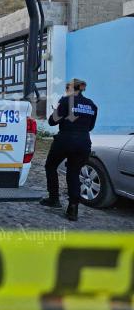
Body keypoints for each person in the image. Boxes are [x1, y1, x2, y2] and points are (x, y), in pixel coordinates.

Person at [41, 78, 98, 221]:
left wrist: (57, 110)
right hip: (84, 142)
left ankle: (54, 198)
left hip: (65, 140)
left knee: (50, 166)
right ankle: (73, 208)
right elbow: (90, 127)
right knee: (74, 172)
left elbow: (52, 121)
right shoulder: (92, 105)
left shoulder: (66, 101)